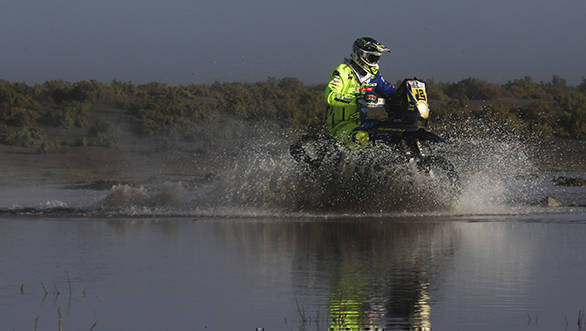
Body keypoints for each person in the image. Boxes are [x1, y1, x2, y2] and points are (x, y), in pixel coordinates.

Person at [325, 37, 396, 148]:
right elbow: (331, 96)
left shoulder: (374, 76)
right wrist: (357, 99)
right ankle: (344, 164)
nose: (375, 61)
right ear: (360, 54)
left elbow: (390, 91)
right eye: (372, 57)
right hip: (341, 124)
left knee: (391, 131)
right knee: (361, 136)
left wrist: (407, 95)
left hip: (363, 122)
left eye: (377, 58)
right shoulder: (342, 71)